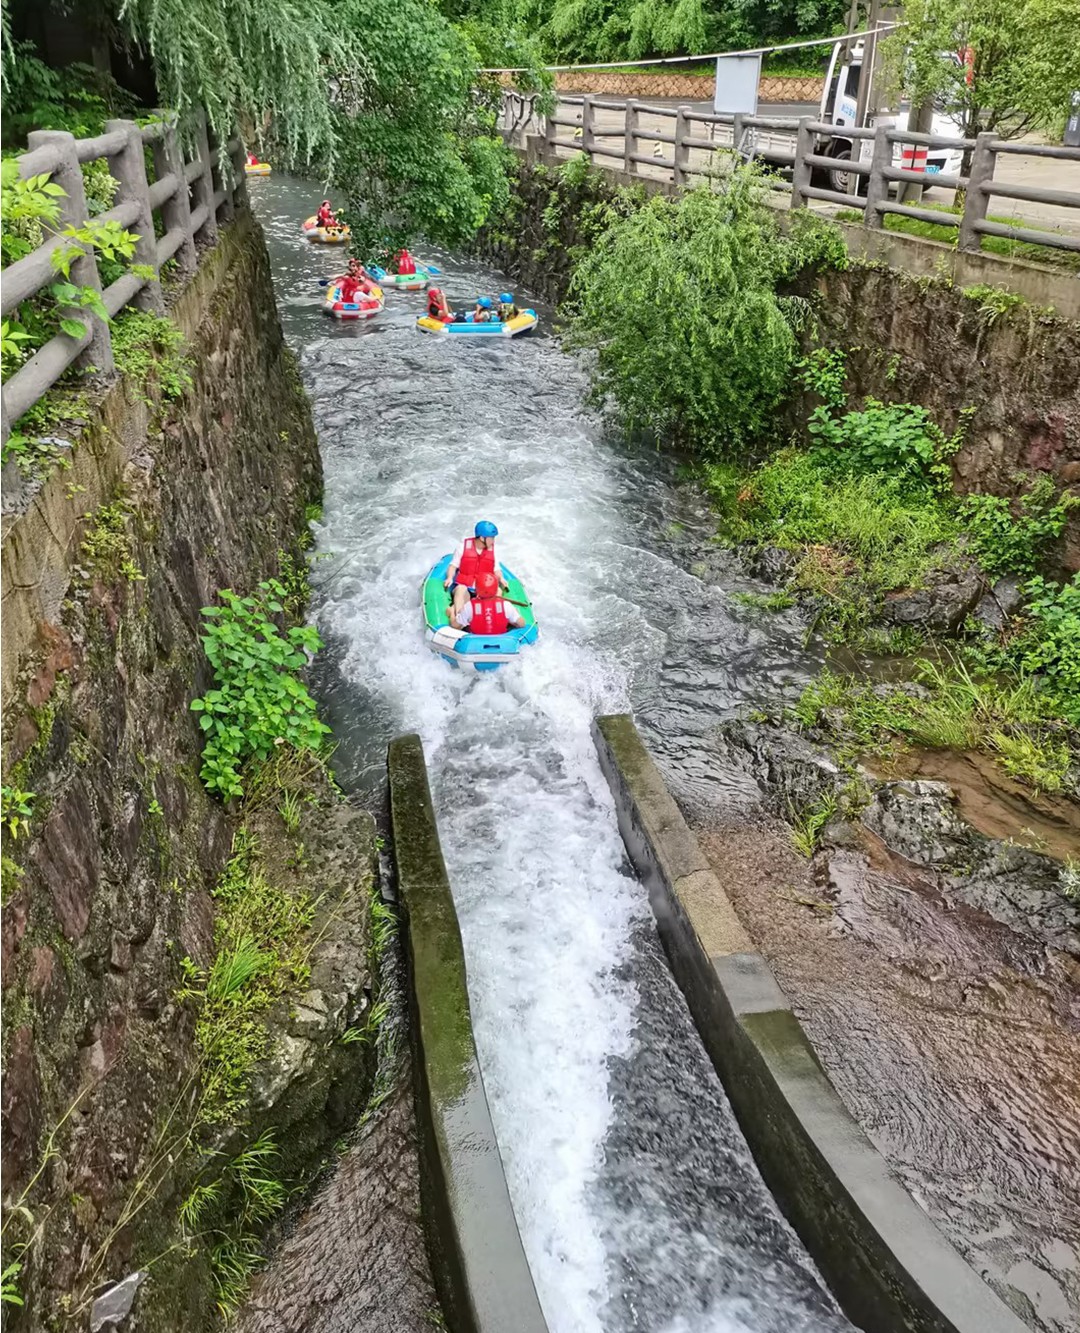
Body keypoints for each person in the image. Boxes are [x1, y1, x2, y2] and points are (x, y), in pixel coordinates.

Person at [444, 520, 509, 613]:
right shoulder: (462, 547)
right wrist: (449, 578)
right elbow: (453, 566)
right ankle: (459, 617)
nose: (493, 541)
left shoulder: (493, 550)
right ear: (482, 538)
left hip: (484, 589)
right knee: (461, 589)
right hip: (466, 586)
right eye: (491, 538)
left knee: (498, 591)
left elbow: (496, 569)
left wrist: (501, 579)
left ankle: (490, 617)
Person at [450, 571, 525, 635]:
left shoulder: (469, 606)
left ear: (477, 590)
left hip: (475, 641)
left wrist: (451, 613)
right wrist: (515, 613)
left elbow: (455, 626)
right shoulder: (506, 606)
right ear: (496, 590)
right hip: (502, 640)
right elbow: (521, 624)